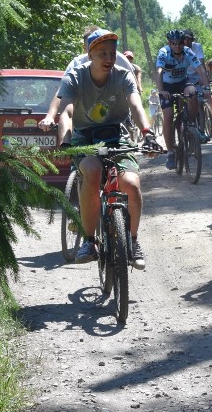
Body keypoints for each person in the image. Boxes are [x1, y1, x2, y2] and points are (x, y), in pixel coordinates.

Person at [53, 29, 160, 269]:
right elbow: (67, 112)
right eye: (102, 53)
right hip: (84, 138)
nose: (108, 58)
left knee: (131, 184)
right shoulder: (74, 77)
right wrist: (65, 140)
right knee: (92, 172)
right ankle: (90, 241)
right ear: (89, 54)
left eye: (112, 53)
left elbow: (135, 105)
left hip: (116, 136)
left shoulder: (123, 76)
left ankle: (132, 241)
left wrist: (148, 133)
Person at [39, 25, 134, 130]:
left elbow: (133, 91)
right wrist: (50, 116)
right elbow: (62, 92)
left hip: (117, 120)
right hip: (86, 123)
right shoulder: (76, 64)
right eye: (91, 46)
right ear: (85, 48)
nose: (108, 58)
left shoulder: (120, 60)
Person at [155, 29, 209, 169]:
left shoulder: (188, 52)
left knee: (193, 94)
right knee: (168, 116)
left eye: (180, 43)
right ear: (169, 43)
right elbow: (159, 71)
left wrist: (207, 88)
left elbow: (200, 69)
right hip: (167, 86)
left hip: (182, 82)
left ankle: (190, 125)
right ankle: (171, 153)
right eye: (174, 43)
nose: (177, 46)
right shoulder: (164, 52)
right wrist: (161, 91)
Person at [181, 30, 212, 140]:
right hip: (183, 76)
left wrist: (204, 80)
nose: (187, 41)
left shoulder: (197, 47)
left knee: (199, 102)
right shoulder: (178, 47)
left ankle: (202, 131)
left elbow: (201, 63)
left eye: (189, 39)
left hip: (197, 75)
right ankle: (183, 126)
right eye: (185, 39)